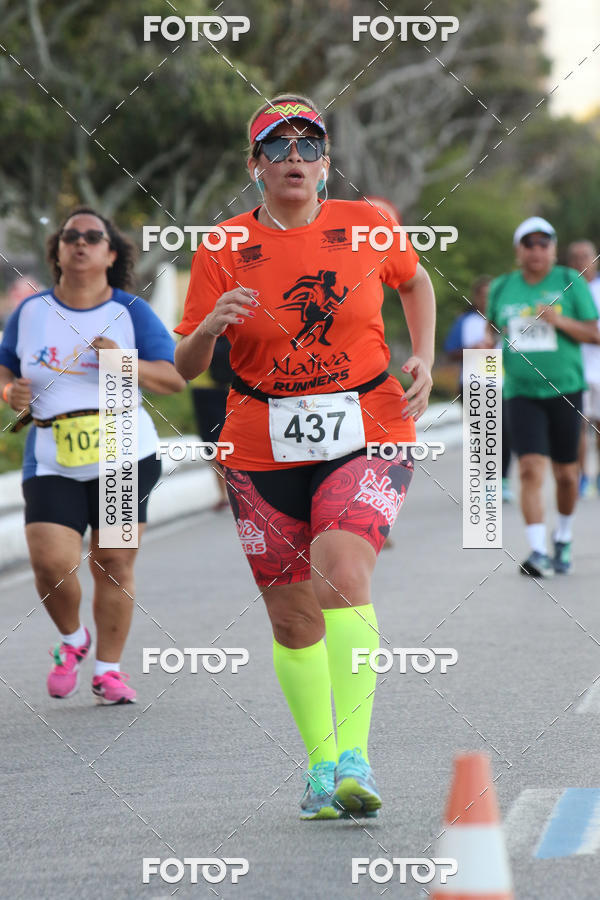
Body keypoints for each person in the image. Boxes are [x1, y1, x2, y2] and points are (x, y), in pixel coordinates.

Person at [174, 94, 436, 819]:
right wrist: (211, 328)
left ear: (326, 163)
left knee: (342, 570)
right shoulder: (222, 246)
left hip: (369, 422)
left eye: (309, 146)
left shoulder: (369, 224)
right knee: (291, 617)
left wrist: (424, 353)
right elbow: (187, 361)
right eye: (278, 147)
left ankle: (356, 754)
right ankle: (321, 768)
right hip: (259, 438)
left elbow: (413, 281)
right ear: (255, 165)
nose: (296, 159)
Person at [0, 207, 185, 704]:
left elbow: (173, 379)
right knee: (50, 563)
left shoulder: (130, 313)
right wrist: (9, 392)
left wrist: (124, 363)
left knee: (114, 562)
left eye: (92, 236)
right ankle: (72, 640)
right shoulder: (30, 313)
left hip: (124, 455)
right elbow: (4, 370)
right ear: (58, 250)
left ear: (110, 252)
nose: (80, 243)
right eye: (70, 236)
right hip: (53, 454)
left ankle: (108, 669)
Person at [486, 217, 599, 577]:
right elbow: (494, 331)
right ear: (518, 250)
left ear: (553, 248)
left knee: (566, 475)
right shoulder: (502, 286)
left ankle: (562, 537)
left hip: (565, 389)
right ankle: (537, 551)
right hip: (521, 391)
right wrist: (486, 344)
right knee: (530, 468)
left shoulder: (569, 282)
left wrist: (560, 322)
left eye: (544, 243)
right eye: (529, 244)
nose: (537, 250)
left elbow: (595, 333)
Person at [445, 277, 514, 502]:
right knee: (480, 436)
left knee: (503, 432)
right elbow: (450, 352)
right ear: (475, 298)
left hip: (502, 385)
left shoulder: (507, 319)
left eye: (490, 294)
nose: (486, 299)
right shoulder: (465, 322)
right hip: (473, 385)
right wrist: (472, 349)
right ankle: (486, 482)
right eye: (482, 294)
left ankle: (502, 480)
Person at [566, 240, 600, 496]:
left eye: (585, 256)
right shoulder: (565, 291)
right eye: (575, 257)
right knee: (577, 425)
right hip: (575, 369)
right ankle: (582, 476)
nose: (580, 262)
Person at [190, 334, 233, 509]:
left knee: (213, 443)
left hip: (206, 388)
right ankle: (228, 493)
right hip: (228, 387)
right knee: (215, 444)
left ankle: (226, 494)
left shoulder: (194, 315)